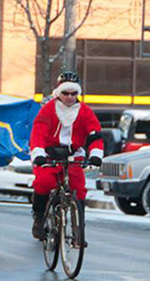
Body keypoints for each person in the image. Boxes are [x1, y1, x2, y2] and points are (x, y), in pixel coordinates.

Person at [30, 71, 102, 240]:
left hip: (73, 155)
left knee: (79, 189)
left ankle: (78, 228)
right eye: (66, 93)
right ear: (58, 92)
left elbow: (94, 135)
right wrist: (38, 153)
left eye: (73, 93)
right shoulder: (48, 109)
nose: (70, 97)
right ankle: (39, 217)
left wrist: (96, 154)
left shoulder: (85, 112)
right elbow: (38, 133)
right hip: (49, 154)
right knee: (43, 182)